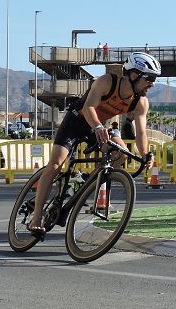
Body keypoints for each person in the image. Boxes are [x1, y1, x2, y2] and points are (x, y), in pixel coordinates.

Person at [28, 52, 159, 236]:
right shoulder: (106, 82)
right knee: (56, 164)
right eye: (150, 78)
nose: (152, 83)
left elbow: (141, 132)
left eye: (154, 79)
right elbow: (88, 107)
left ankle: (87, 181)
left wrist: (145, 155)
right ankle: (36, 217)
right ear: (134, 74)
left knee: (121, 153)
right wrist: (97, 126)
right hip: (77, 121)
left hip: (99, 127)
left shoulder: (141, 103)